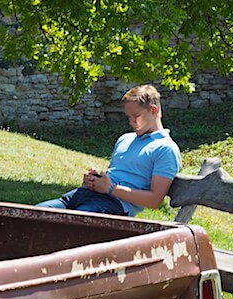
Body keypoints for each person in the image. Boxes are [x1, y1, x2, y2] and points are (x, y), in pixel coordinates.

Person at [39, 84, 181, 216]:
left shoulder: (165, 149)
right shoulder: (125, 139)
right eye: (129, 117)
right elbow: (115, 175)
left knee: (68, 224)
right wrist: (95, 180)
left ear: (154, 110)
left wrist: (111, 189)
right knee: (34, 214)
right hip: (84, 194)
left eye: (136, 116)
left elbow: (155, 200)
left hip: (113, 204)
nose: (131, 122)